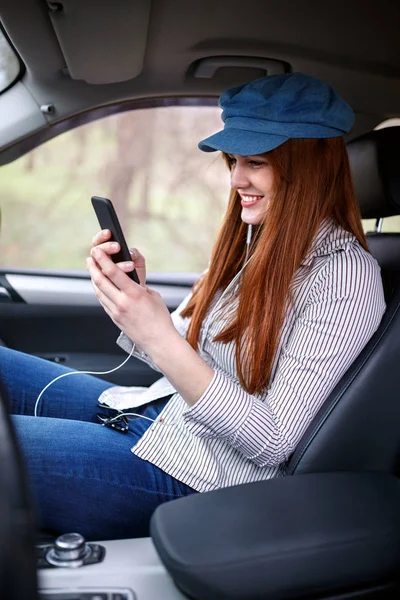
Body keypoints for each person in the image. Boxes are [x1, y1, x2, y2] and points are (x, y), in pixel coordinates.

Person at [0, 73, 385, 541]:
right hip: (159, 415)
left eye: (256, 162)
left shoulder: (345, 276)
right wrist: (137, 304)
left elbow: (274, 440)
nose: (236, 178)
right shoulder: (257, 243)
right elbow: (189, 350)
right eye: (234, 160)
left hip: (199, 474)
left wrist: (157, 335)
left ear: (310, 168)